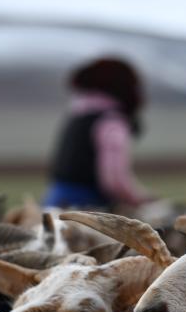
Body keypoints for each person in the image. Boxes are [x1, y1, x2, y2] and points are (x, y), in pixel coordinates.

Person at [43, 57, 152, 210]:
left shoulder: (79, 115)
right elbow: (114, 179)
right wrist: (141, 199)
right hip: (87, 209)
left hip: (55, 201)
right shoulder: (111, 122)